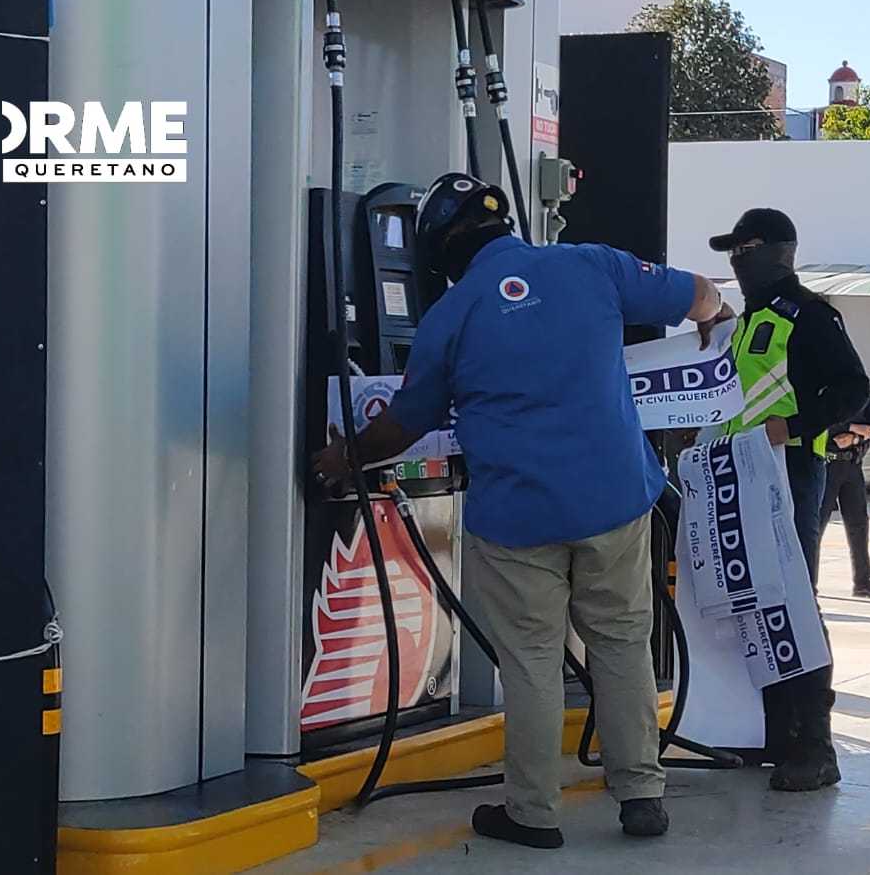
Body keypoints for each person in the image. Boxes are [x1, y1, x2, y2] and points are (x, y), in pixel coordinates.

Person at [313, 173, 734, 848]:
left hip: (517, 517)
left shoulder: (450, 315)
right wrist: (713, 316)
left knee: (533, 661)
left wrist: (341, 459)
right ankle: (641, 795)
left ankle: (533, 813)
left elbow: (403, 425)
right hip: (614, 499)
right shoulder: (591, 265)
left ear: (443, 247)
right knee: (621, 644)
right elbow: (701, 293)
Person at [710, 208, 868, 792]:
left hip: (793, 474)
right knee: (754, 602)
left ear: (777, 250)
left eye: (745, 248)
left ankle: (816, 745)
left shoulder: (809, 315)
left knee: (795, 601)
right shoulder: (749, 320)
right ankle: (774, 733)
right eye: (731, 251)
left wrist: (794, 427)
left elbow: (853, 388)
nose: (736, 260)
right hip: (741, 475)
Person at [818, 393, 870, 599]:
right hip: (828, 464)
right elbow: (820, 423)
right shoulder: (824, 392)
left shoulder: (860, 394)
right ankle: (808, 583)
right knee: (816, 525)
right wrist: (851, 427)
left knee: (858, 524)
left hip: (853, 464)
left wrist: (854, 436)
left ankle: (863, 583)